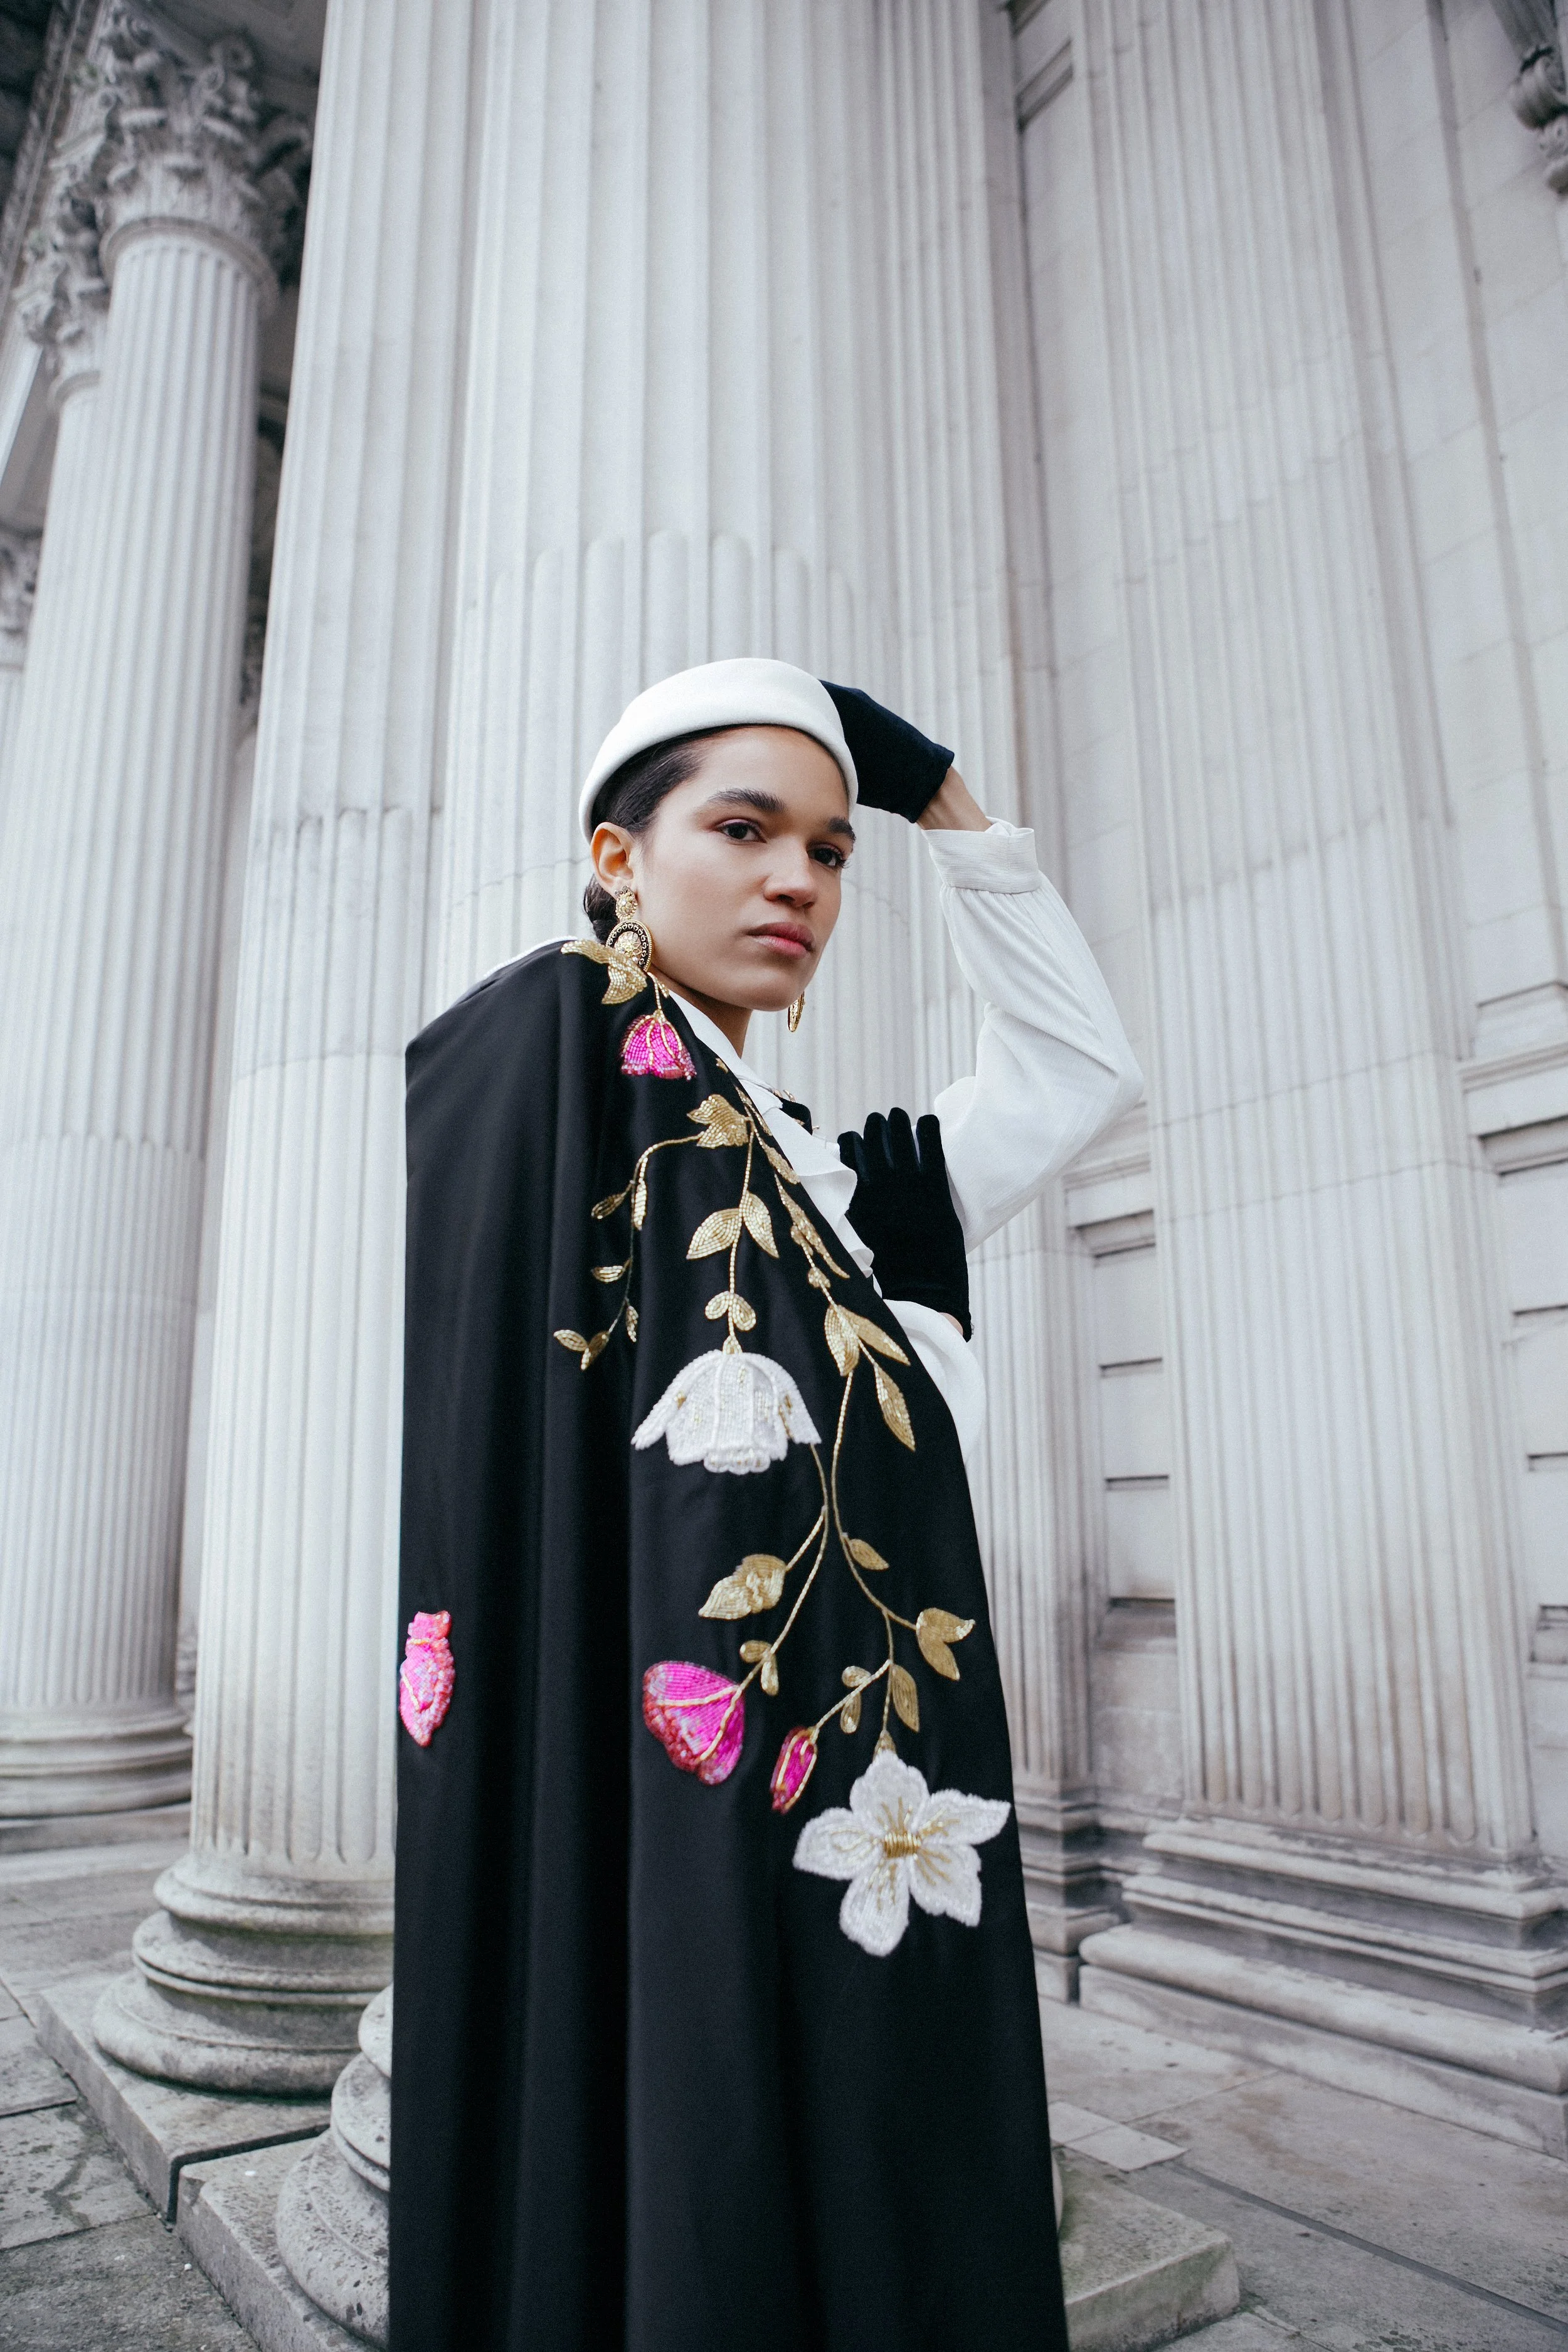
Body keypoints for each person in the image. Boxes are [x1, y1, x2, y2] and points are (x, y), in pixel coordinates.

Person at [389, 658, 1142, 2351]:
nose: (799, 878)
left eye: (826, 847)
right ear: (616, 857)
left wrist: (940, 805)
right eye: (743, 828)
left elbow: (1079, 1073)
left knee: (882, 2192)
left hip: (871, 1782)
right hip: (682, 1802)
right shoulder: (558, 1066)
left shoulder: (860, 1177)